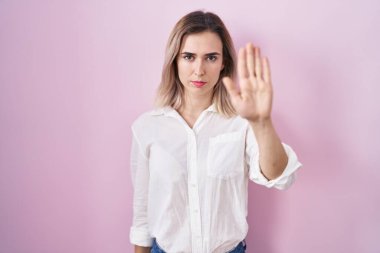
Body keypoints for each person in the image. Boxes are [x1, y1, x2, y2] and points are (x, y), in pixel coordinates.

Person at [129, 10, 302, 253]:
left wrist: (261, 121)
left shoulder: (242, 122)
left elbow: (280, 176)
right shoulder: (146, 128)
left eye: (210, 58)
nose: (199, 70)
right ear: (174, 60)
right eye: (188, 57)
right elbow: (142, 217)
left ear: (223, 63)